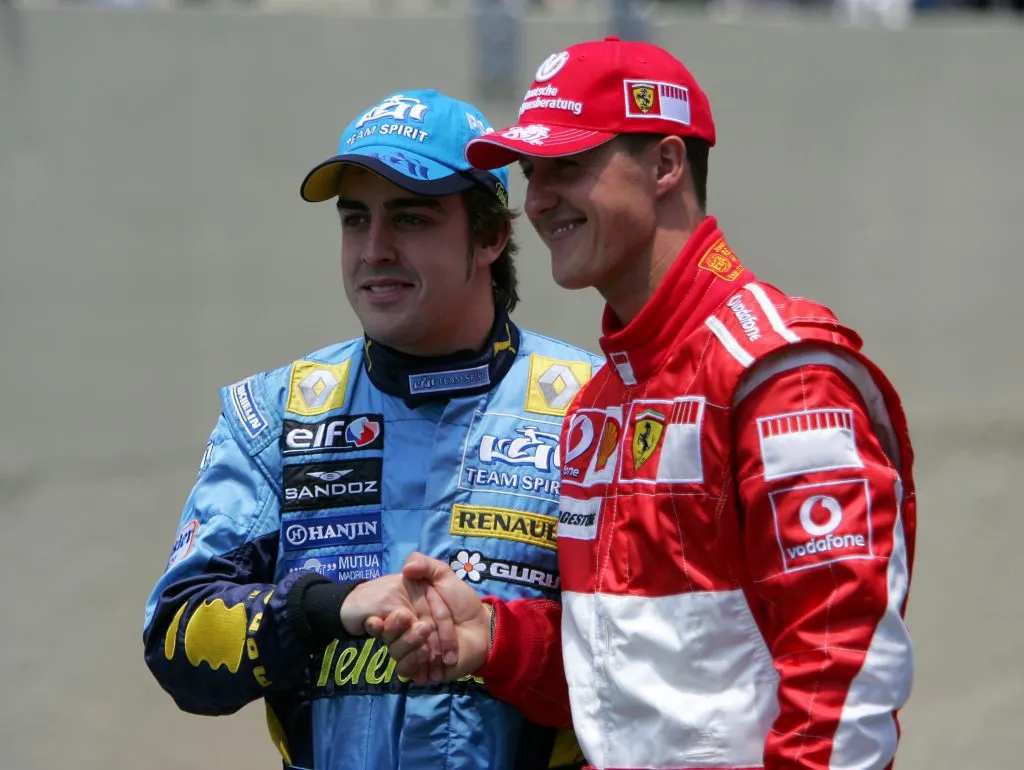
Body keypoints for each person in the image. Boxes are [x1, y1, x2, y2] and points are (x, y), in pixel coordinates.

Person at [378, 39, 919, 770]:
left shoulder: (777, 373)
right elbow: (630, 691)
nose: (537, 200)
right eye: (532, 172)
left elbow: (844, 668)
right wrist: (497, 642)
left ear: (666, 164)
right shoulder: (598, 402)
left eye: (568, 165)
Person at [141, 88, 602, 770]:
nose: (374, 250)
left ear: (490, 236)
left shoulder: (592, 407)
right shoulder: (274, 414)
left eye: (410, 219)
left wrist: (493, 639)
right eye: (355, 220)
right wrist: (328, 607)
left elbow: (644, 659)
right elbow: (177, 644)